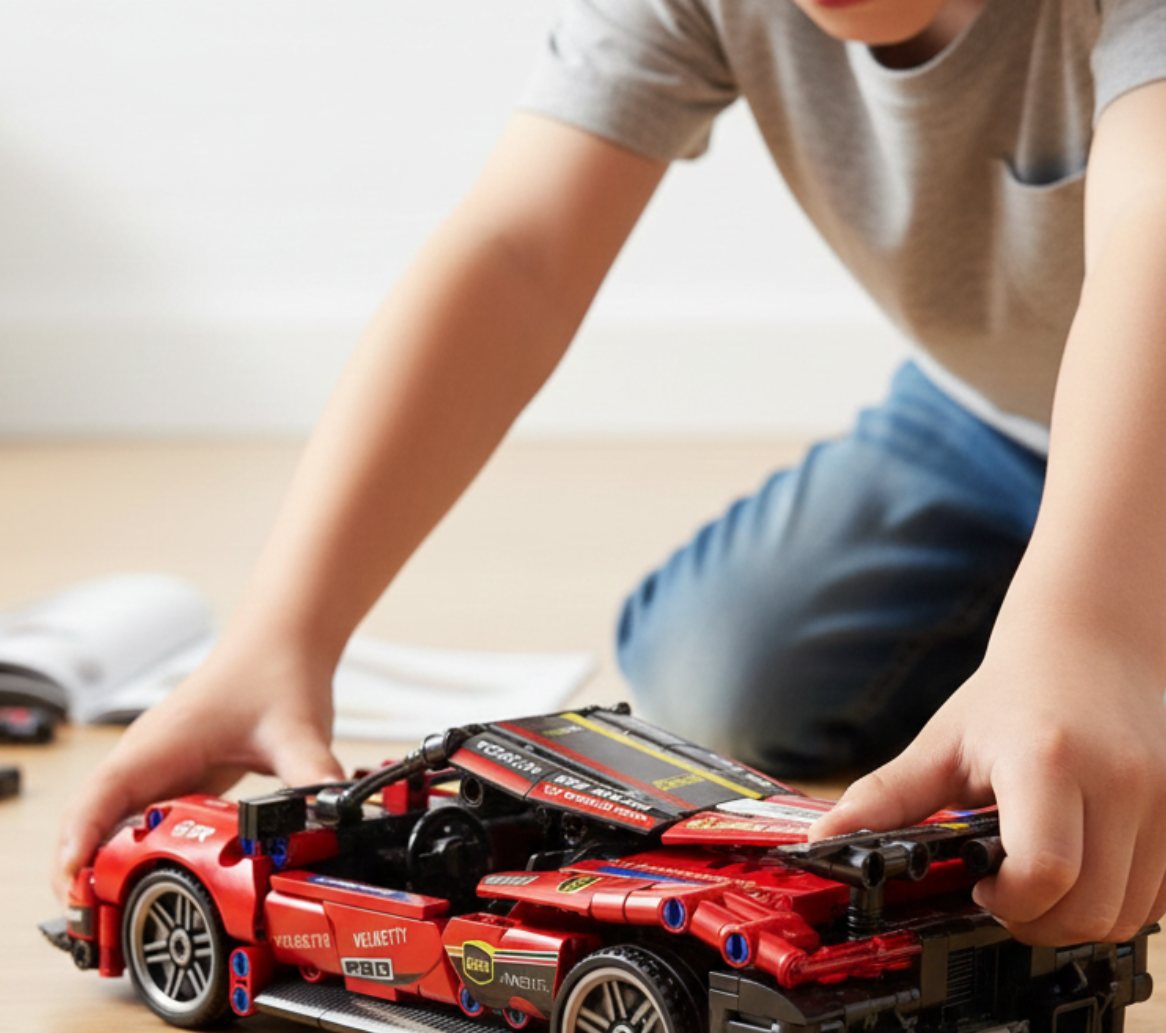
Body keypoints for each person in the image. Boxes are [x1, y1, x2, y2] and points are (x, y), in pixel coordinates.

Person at [53, 0, 1166, 951]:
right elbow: (518, 253)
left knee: (1089, 672)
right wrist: (278, 635)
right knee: (714, 672)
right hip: (987, 420)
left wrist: (1087, 633)